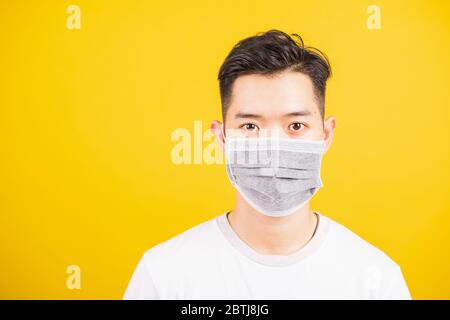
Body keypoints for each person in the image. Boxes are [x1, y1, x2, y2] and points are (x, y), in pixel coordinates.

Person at [123, 29, 412, 300]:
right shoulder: (163, 276)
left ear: (325, 135)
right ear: (221, 137)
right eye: (250, 126)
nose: (274, 147)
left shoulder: (376, 281)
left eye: (296, 125)